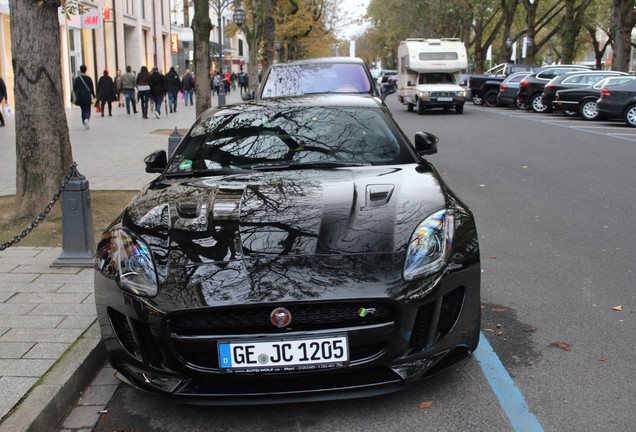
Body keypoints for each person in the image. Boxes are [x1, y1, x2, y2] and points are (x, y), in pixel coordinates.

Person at [73, 65, 96, 129]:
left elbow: (74, 89)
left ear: (80, 70)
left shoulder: (77, 79)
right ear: (86, 70)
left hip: (80, 97)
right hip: (87, 97)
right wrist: (94, 95)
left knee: (83, 110)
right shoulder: (89, 79)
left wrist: (73, 97)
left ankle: (84, 122)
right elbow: (91, 88)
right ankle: (87, 119)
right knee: (88, 110)